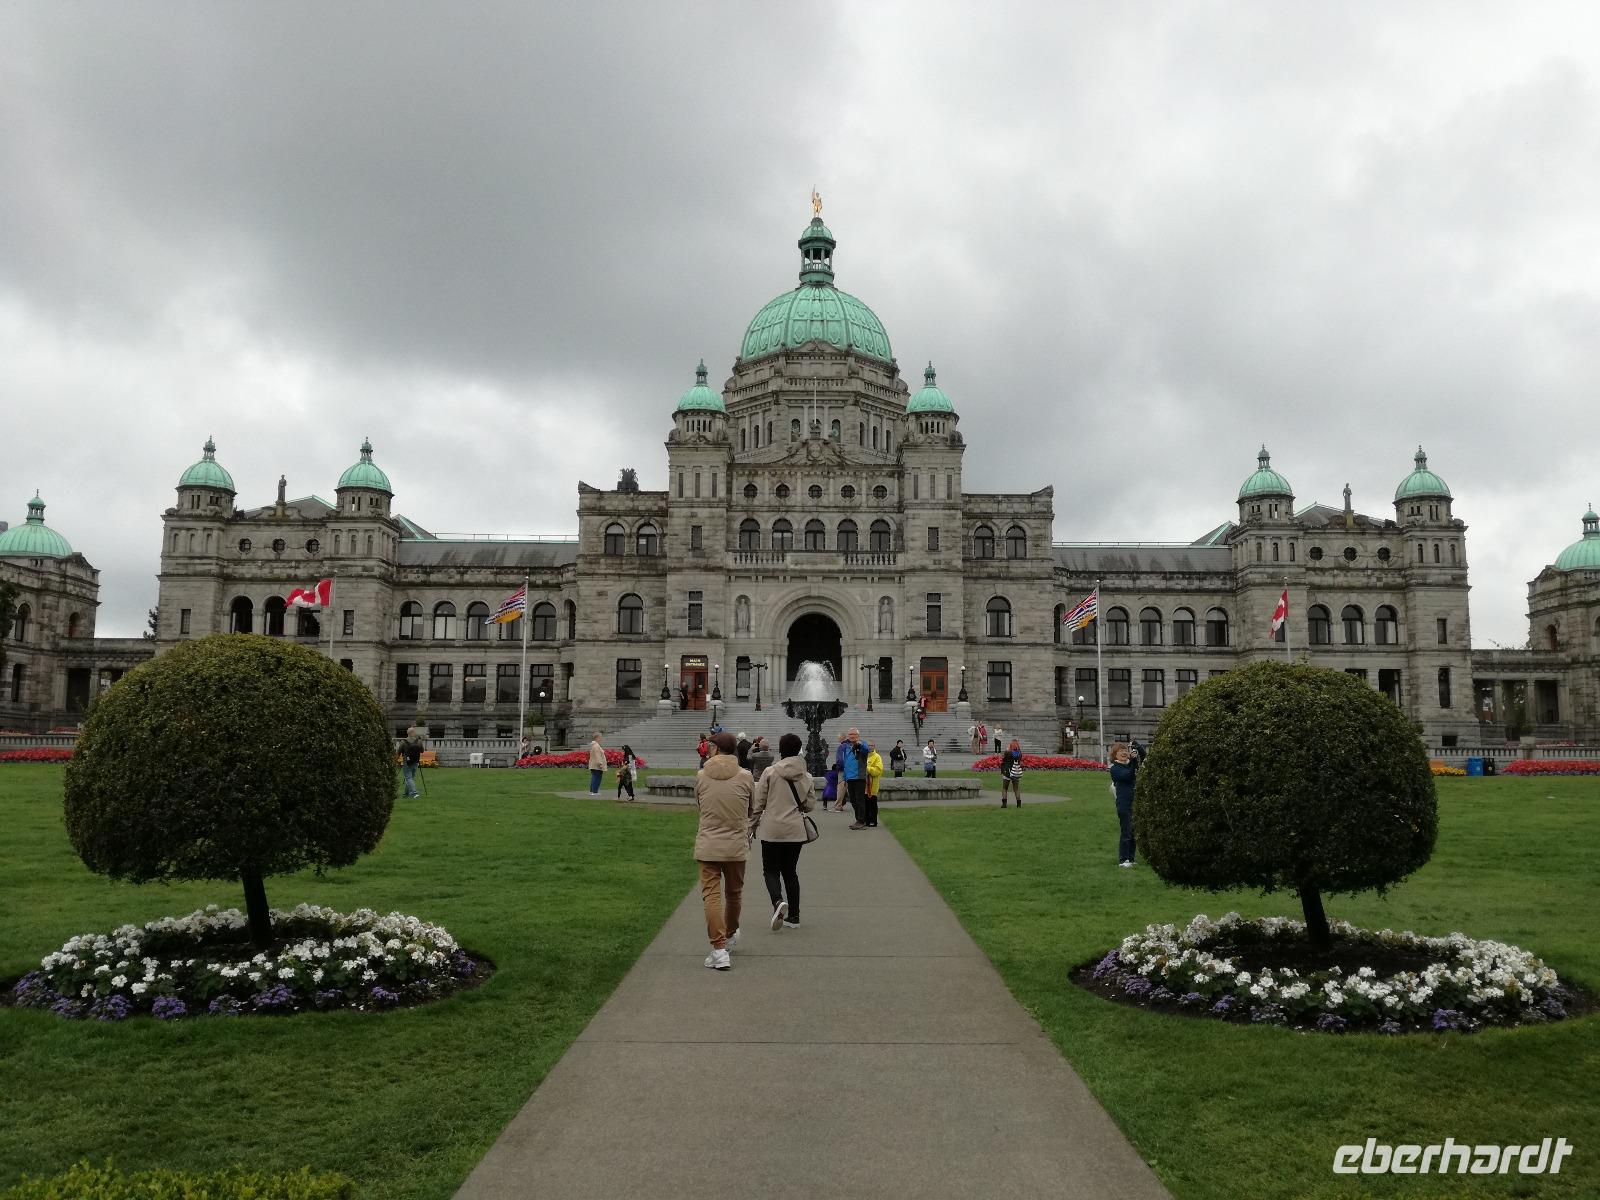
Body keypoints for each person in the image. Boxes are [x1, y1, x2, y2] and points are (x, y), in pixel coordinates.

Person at [694, 733, 752, 970]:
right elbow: (751, 809)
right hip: (736, 843)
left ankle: (718, 950)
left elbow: (700, 805)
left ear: (717, 749)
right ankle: (728, 935)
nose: (708, 750)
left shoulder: (701, 776)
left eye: (710, 747)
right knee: (734, 894)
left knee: (712, 896)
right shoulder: (746, 776)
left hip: (709, 843)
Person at [751, 732, 814, 931]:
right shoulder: (807, 776)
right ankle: (794, 916)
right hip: (795, 830)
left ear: (781, 749)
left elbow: (758, 803)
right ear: (798, 750)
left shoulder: (770, 772)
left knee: (770, 870)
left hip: (772, 828)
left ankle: (778, 902)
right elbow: (810, 805)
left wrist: (751, 826)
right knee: (790, 872)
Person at [1109, 741, 1145, 867]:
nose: (1123, 753)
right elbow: (1129, 776)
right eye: (1120, 751)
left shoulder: (1130, 764)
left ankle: (1131, 858)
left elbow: (1144, 756)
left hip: (1135, 802)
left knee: (1134, 832)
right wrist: (1134, 761)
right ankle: (1123, 859)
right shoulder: (1115, 769)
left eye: (1125, 750)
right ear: (1115, 755)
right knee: (1126, 831)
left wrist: (1137, 746)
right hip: (1124, 804)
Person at [844, 728, 868, 828]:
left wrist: (859, 744)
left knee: (859, 799)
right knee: (853, 800)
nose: (851, 736)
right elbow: (846, 763)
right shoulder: (847, 747)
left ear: (858, 735)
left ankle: (861, 821)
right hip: (850, 777)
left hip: (859, 776)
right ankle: (859, 819)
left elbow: (865, 749)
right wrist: (845, 778)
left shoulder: (862, 744)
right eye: (850, 734)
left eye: (853, 734)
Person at [399, 728, 424, 798]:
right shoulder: (418, 741)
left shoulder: (403, 742)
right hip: (416, 761)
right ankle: (406, 794)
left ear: (407, 733)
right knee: (410, 778)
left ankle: (414, 793)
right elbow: (422, 751)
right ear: (414, 733)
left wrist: (395, 760)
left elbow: (398, 752)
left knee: (408, 778)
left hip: (406, 762)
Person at [1000, 738, 1024, 807]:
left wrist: (1007, 749)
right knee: (1016, 789)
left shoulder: (1007, 753)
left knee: (1005, 788)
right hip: (1016, 771)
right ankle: (1018, 804)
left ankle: (1004, 804)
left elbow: (1003, 759)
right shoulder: (1019, 753)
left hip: (1007, 771)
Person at [864, 741, 883, 827]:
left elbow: (877, 771)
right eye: (868, 745)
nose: (869, 747)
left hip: (873, 785)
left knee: (873, 805)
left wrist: (868, 769)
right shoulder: (864, 756)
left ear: (874, 746)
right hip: (864, 786)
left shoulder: (877, 757)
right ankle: (866, 820)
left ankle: (873, 821)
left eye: (871, 745)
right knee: (866, 804)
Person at [586, 731, 606, 796]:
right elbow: (598, 755)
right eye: (600, 737)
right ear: (597, 737)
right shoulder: (596, 746)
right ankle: (594, 791)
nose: (601, 739)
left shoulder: (594, 745)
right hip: (597, 765)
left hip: (593, 764)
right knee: (597, 777)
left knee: (594, 777)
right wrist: (600, 763)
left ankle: (592, 791)